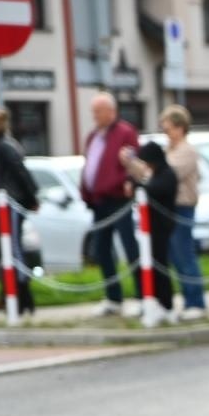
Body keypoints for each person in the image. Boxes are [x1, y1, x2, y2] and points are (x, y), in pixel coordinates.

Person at [80, 92, 142, 317]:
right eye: (93, 111)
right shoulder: (93, 136)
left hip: (118, 200)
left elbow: (134, 162)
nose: (94, 116)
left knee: (129, 247)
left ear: (110, 111)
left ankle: (142, 296)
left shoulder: (125, 132)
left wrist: (129, 181)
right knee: (102, 250)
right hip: (99, 201)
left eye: (98, 111)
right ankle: (113, 297)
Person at [0, 109, 40, 316]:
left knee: (12, 249)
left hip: (9, 206)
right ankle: (8, 295)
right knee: (3, 252)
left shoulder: (4, 147)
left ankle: (22, 295)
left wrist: (31, 198)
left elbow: (19, 171)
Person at [119, 140, 177, 320]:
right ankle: (156, 301)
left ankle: (166, 305)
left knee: (160, 266)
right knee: (151, 265)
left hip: (162, 228)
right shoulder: (156, 173)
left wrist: (138, 187)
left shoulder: (167, 174)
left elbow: (154, 189)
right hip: (151, 228)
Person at [157, 105, 206, 320]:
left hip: (183, 207)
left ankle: (196, 302)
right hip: (169, 208)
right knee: (175, 256)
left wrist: (152, 167)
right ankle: (186, 300)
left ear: (180, 127)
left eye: (168, 127)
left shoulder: (187, 150)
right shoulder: (170, 149)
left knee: (185, 254)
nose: (165, 132)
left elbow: (168, 174)